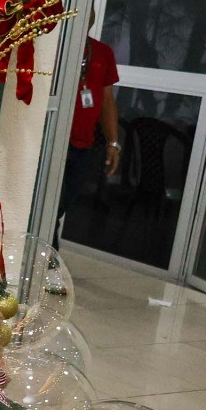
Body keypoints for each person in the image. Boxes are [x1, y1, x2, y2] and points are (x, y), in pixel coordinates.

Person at [57, 13, 120, 241]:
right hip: (53, 142)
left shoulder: (103, 52)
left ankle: (45, 253)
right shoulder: (58, 47)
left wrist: (113, 143)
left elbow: (107, 101)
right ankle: (48, 255)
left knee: (64, 204)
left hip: (82, 145)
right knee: (50, 206)